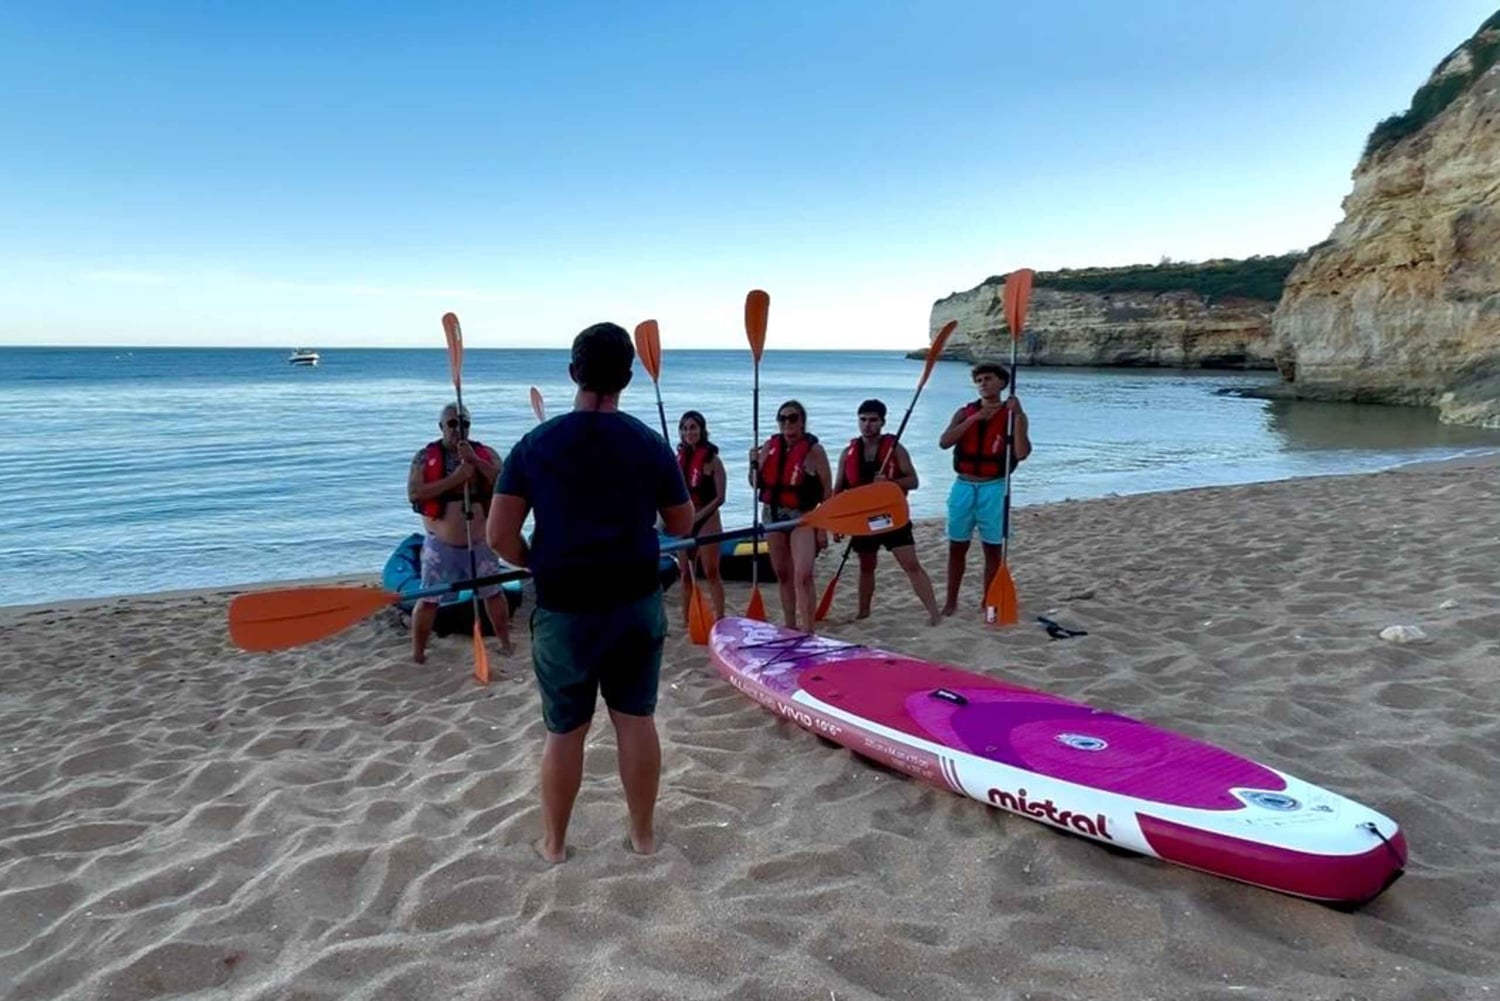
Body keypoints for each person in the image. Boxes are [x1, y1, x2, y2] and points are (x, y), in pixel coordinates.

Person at [487, 322, 694, 865]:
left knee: (565, 731)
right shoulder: (649, 443)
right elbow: (682, 521)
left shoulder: (535, 445)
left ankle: (555, 845)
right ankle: (643, 836)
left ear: (573, 373)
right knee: (635, 719)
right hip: (635, 600)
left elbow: (498, 536)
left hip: (565, 606)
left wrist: (536, 560)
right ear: (628, 377)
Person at [406, 402, 513, 663]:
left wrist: (474, 461)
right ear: (441, 426)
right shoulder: (425, 457)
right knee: (429, 598)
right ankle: (418, 653)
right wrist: (455, 479)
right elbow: (415, 492)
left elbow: (505, 482)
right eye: (452, 424)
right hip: (441, 546)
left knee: (493, 593)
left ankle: (505, 643)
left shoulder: (484, 453)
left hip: (480, 542)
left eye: (464, 423)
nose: (458, 429)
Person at [833, 399, 941, 626]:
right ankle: (863, 612)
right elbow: (838, 490)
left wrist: (890, 483)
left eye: (873, 420)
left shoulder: (896, 449)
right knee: (866, 567)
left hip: (892, 517)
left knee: (911, 564)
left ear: (882, 422)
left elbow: (913, 481)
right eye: (863, 420)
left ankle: (934, 613)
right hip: (863, 519)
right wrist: (836, 523)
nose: (867, 425)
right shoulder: (847, 453)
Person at [937, 362, 1032, 617]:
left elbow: (1021, 453)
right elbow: (944, 442)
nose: (983, 384)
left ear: (1002, 383)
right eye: (979, 380)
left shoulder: (1013, 415)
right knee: (957, 546)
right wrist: (974, 419)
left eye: (988, 379)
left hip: (994, 487)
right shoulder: (964, 412)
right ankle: (951, 602)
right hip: (963, 485)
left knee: (992, 548)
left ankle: (988, 601)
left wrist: (1019, 416)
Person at [747, 399, 832, 629]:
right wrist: (752, 463)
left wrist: (822, 529)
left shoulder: (815, 451)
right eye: (782, 418)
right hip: (772, 514)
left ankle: (808, 629)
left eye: (793, 418)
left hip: (801, 516)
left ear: (802, 421)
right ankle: (790, 626)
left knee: (803, 574)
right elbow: (755, 484)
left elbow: (827, 492)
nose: (787, 423)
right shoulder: (769, 447)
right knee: (783, 574)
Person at [675, 410, 727, 621]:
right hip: (684, 520)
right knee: (686, 574)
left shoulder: (713, 460)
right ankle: (687, 619)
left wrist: (698, 517)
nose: (689, 432)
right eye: (685, 428)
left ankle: (720, 617)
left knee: (711, 571)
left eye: (693, 428)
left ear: (702, 430)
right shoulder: (678, 459)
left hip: (707, 519)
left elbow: (720, 497)